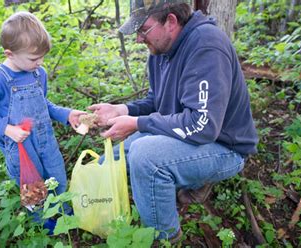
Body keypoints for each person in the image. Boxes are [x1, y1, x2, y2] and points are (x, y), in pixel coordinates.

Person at [88, 0, 258, 242]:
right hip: (184, 133)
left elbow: (203, 126)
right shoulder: (161, 49)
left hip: (224, 147)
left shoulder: (206, 46)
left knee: (145, 156)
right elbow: (158, 101)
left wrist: (138, 124)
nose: (138, 39)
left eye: (143, 29)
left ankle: (166, 238)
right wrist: (122, 109)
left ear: (170, 21)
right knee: (108, 162)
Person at [0, 11, 84, 232]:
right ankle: (44, 224)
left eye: (42, 57)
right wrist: (7, 129)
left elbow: (44, 104)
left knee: (57, 177)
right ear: (10, 54)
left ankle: (63, 213)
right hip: (21, 147)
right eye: (34, 58)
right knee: (34, 188)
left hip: (46, 140)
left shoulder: (37, 73)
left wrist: (67, 114)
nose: (40, 63)